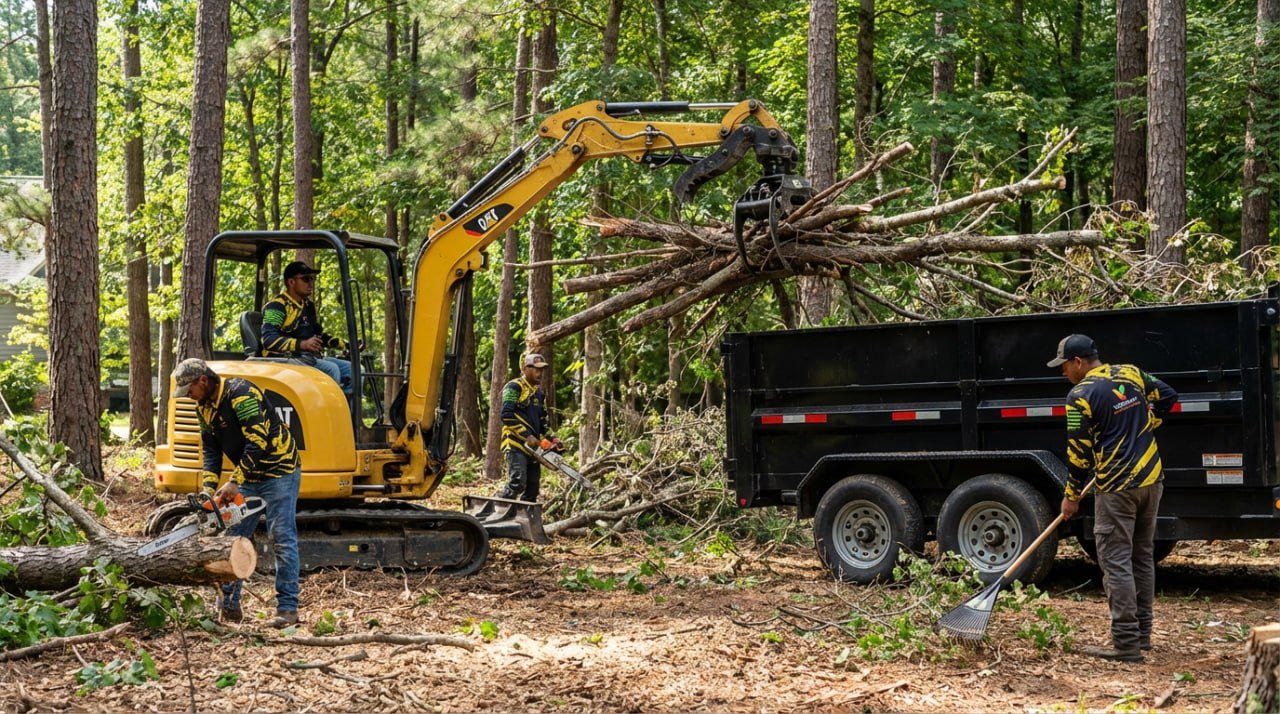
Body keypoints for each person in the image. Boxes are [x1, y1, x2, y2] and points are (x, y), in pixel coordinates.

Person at [1049, 334, 1177, 662]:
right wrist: (1149, 421)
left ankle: (1126, 644)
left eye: (1064, 366)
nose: (1063, 373)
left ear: (1078, 362)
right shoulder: (1131, 373)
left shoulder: (1079, 396)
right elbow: (1168, 395)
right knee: (1141, 556)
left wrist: (1071, 497)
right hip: (1152, 480)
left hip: (1117, 488)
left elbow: (1078, 454)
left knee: (1116, 560)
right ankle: (1143, 635)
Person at [173, 357, 301, 628]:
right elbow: (210, 450)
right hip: (248, 473)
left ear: (203, 381)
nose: (189, 397)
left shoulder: (241, 393)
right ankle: (229, 607)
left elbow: (258, 441)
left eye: (190, 390)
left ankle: (287, 610)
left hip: (279, 470)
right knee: (233, 539)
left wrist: (234, 481)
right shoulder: (204, 406)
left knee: (282, 537)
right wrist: (209, 489)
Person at [260, 261, 353, 395]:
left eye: (312, 279)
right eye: (305, 279)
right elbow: (268, 340)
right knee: (331, 369)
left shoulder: (308, 306)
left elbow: (319, 335)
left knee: (354, 370)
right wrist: (302, 344)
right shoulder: (277, 306)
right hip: (283, 360)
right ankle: (328, 413)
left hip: (308, 358)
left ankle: (349, 414)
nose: (311, 283)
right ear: (291, 282)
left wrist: (346, 345)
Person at [496, 353, 561, 502]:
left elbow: (543, 422)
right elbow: (506, 415)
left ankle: (523, 517)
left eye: (542, 370)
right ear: (526, 368)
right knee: (517, 482)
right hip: (515, 444)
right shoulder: (514, 387)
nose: (540, 373)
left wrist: (553, 438)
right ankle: (498, 507)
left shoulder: (539, 393)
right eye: (536, 369)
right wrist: (527, 435)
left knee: (533, 487)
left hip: (533, 448)